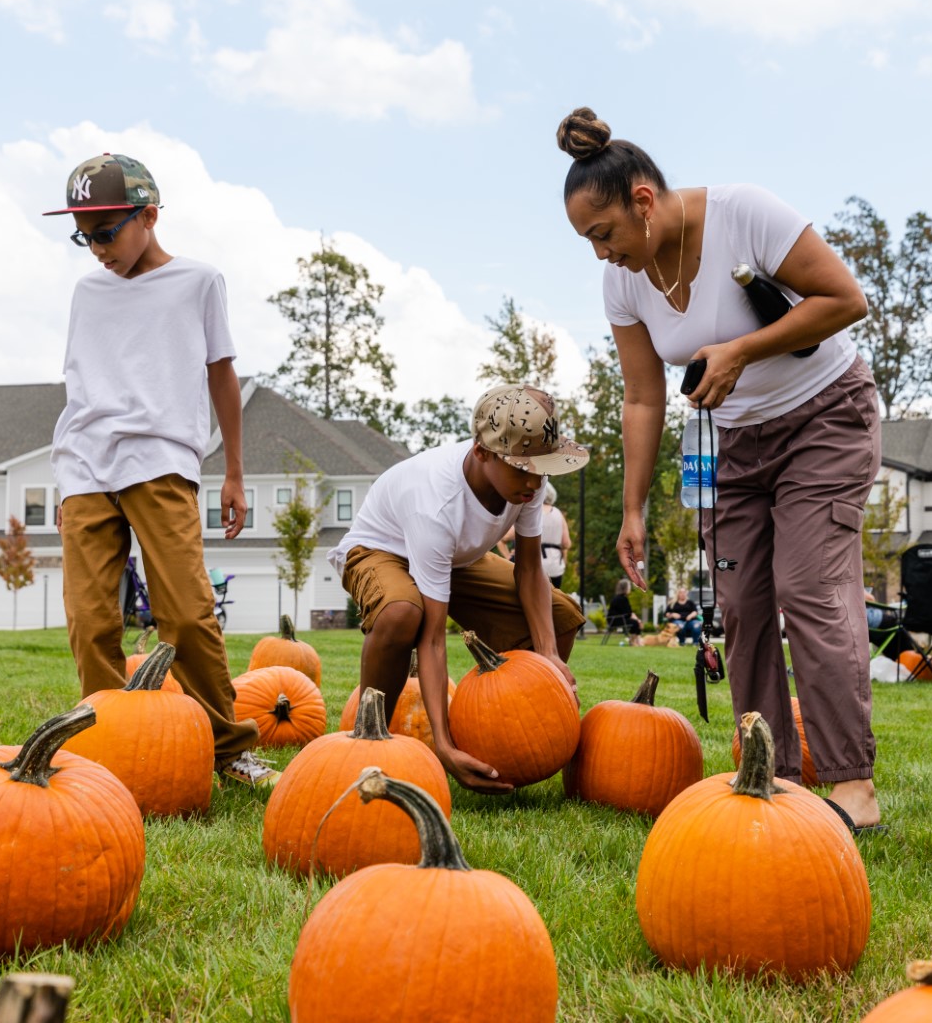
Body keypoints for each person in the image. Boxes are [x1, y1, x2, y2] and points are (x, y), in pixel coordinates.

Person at [557, 107, 882, 830]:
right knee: (742, 605)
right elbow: (642, 397)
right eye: (588, 241)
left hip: (825, 419)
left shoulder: (745, 214)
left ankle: (853, 786)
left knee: (808, 587)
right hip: (732, 444)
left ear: (644, 201)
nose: (601, 254)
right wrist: (634, 509)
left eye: (604, 234)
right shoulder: (625, 282)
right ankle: (774, 776)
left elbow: (845, 300)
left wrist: (742, 351)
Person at [44, 152, 270, 788]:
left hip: (161, 461)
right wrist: (66, 481)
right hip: (85, 467)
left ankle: (226, 749)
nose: (96, 249)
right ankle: (103, 749)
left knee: (187, 613)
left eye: (105, 233)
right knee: (91, 621)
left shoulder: (198, 281)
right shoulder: (88, 292)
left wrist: (233, 472)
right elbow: (80, 386)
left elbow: (221, 374)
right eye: (84, 237)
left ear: (149, 216)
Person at [327, 385, 588, 794]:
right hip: (381, 550)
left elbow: (530, 570)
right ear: (482, 452)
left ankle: (500, 737)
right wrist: (444, 746)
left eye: (541, 469)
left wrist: (549, 654)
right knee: (402, 613)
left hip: (455, 557)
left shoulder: (529, 481)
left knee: (561, 617)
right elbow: (432, 640)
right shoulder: (437, 502)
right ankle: (367, 740)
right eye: (522, 469)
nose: (534, 481)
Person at [497, 480, 572, 587]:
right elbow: (566, 543)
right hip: (555, 568)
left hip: (532, 567)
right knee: (553, 595)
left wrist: (508, 557)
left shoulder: (532, 512)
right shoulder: (558, 514)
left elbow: (504, 538)